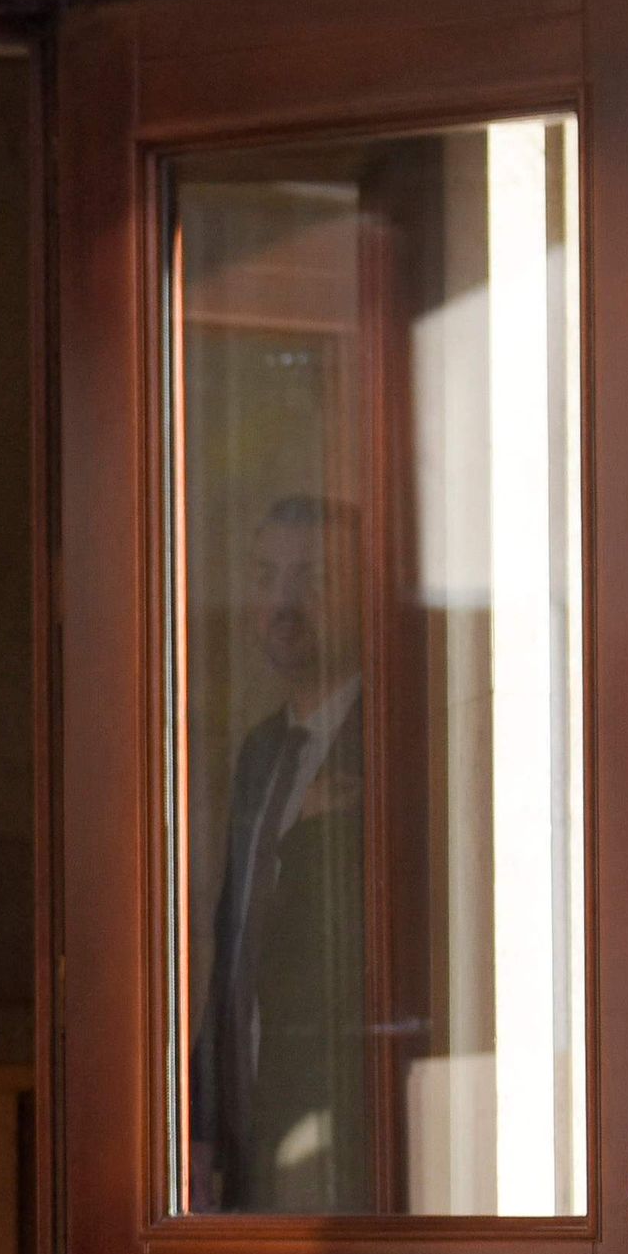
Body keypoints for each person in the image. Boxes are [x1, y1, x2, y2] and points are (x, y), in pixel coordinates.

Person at [188, 494, 374, 1214]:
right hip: (250, 1128)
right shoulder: (261, 753)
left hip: (344, 1132)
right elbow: (233, 949)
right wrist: (204, 1125)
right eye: (267, 578)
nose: (283, 602)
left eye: (310, 577)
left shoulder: (389, 738)